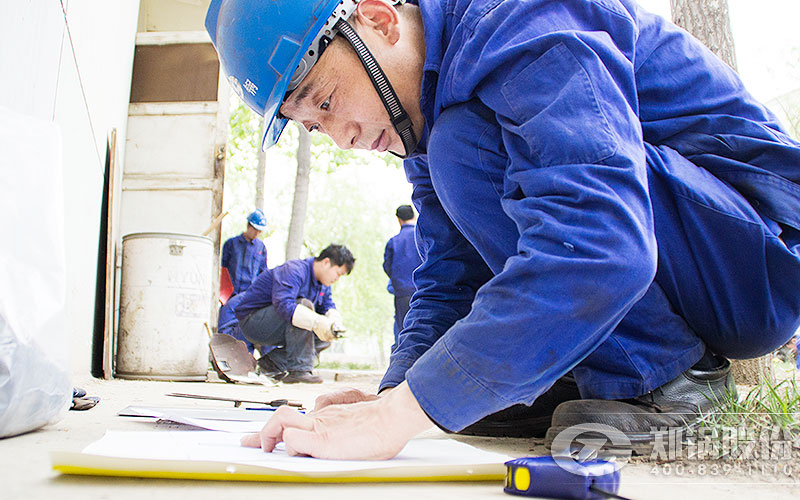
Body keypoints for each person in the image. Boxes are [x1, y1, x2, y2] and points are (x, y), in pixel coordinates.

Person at [206, 0, 800, 460]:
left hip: (758, 262)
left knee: (464, 145)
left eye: (328, 101)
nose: (342, 138)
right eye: (311, 126)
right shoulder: (423, 108)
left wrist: (402, 416)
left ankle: (662, 374)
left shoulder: (518, 17)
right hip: (693, 263)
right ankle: (592, 371)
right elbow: (448, 275)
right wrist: (398, 394)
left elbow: (600, 241)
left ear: (378, 20)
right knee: (456, 149)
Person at [234, 244, 355, 384]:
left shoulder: (323, 285)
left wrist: (333, 323)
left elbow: (328, 306)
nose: (337, 279)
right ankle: (299, 371)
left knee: (326, 334)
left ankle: (270, 364)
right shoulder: (294, 270)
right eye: (338, 273)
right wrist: (315, 322)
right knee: (304, 307)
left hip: (278, 324)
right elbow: (283, 305)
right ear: (326, 262)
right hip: (253, 322)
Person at [383, 205, 422, 351]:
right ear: (414, 216)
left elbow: (388, 266)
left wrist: (398, 281)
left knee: (402, 328)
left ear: (398, 220)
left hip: (402, 292)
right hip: (424, 289)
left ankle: (400, 365)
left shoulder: (393, 242)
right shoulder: (422, 237)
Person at [221, 209, 268, 296]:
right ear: (248, 226)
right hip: (230, 294)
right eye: (255, 229)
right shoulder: (231, 244)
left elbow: (263, 273)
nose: (257, 233)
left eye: (259, 231)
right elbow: (222, 269)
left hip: (249, 296)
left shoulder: (261, 248)